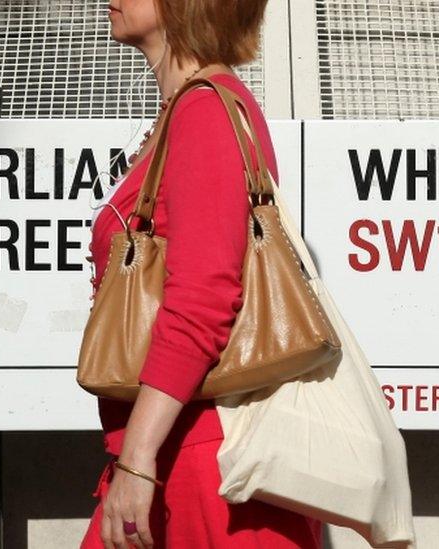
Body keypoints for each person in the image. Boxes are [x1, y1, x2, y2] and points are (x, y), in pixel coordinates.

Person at [80, 1, 323, 548]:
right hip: (181, 451)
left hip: (203, 469)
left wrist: (137, 462)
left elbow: (202, 300)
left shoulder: (204, 111)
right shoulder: (189, 110)